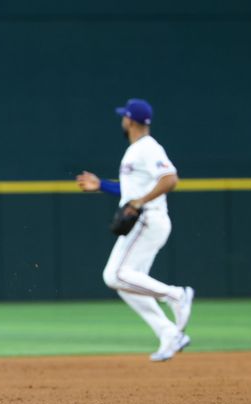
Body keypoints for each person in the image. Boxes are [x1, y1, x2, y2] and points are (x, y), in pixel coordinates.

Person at [76, 98, 194, 362]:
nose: (122, 121)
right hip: (147, 221)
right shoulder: (136, 150)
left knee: (114, 275)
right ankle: (169, 333)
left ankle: (176, 295)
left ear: (129, 120)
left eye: (123, 117)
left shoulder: (147, 148)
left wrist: (140, 202)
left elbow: (170, 178)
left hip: (147, 219)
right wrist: (102, 185)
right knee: (128, 283)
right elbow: (132, 190)